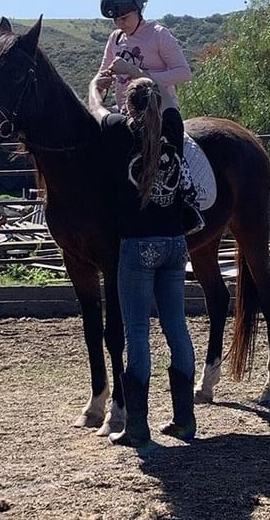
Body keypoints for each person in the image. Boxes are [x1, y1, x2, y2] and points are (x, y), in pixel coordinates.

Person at [88, 72, 197, 447]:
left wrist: (95, 86)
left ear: (128, 105)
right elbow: (170, 100)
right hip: (175, 243)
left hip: (137, 245)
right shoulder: (174, 124)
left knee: (137, 333)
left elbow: (97, 110)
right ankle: (185, 420)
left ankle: (137, 427)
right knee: (177, 328)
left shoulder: (120, 130)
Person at [98, 0, 205, 235]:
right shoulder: (115, 39)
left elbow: (183, 72)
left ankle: (187, 207)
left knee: (168, 157)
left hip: (160, 113)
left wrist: (136, 71)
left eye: (124, 17)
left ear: (138, 9)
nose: (120, 24)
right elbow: (103, 71)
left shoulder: (159, 35)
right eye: (115, 19)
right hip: (125, 112)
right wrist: (101, 81)